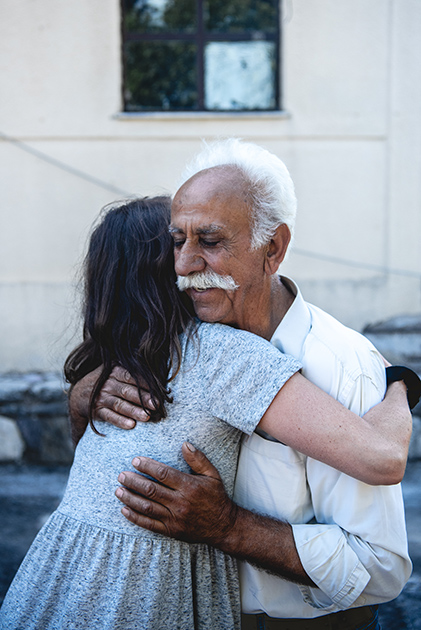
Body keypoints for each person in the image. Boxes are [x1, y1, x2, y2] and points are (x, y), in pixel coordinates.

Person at [1, 197, 410, 630]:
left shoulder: (118, 366)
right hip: (142, 599)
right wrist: (401, 383)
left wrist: (83, 391)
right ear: (171, 267)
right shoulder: (217, 355)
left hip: (56, 584)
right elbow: (382, 456)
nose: (192, 258)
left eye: (207, 240)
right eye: (181, 242)